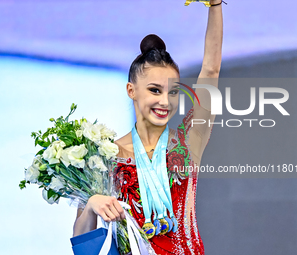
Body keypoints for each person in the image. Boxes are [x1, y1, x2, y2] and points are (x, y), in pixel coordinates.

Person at [73, 0, 223, 254]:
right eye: (155, 90)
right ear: (131, 90)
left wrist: (215, 5)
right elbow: (82, 242)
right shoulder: (104, 156)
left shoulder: (190, 141)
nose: (165, 101)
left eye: (173, 91)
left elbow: (210, 70)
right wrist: (91, 205)